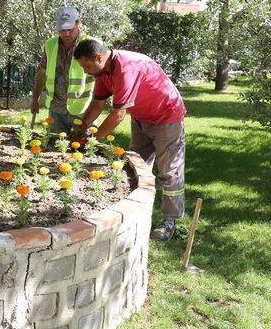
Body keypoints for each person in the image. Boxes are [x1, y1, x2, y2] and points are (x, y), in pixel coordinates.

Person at [73, 39, 187, 241]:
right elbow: (98, 104)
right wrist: (80, 129)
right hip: (142, 117)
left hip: (166, 117)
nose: (85, 72)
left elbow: (118, 115)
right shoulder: (103, 71)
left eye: (87, 66)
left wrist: (92, 140)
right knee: (136, 166)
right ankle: (136, 214)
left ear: (99, 57)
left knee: (170, 172)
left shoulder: (126, 68)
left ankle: (170, 222)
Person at [31, 6, 96, 134]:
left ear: (78, 24)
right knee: (56, 149)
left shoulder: (91, 44)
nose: (66, 34)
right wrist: (35, 98)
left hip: (82, 108)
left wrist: (97, 106)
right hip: (56, 109)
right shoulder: (50, 44)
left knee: (86, 149)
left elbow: (101, 77)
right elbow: (42, 72)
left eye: (70, 29)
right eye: (62, 30)